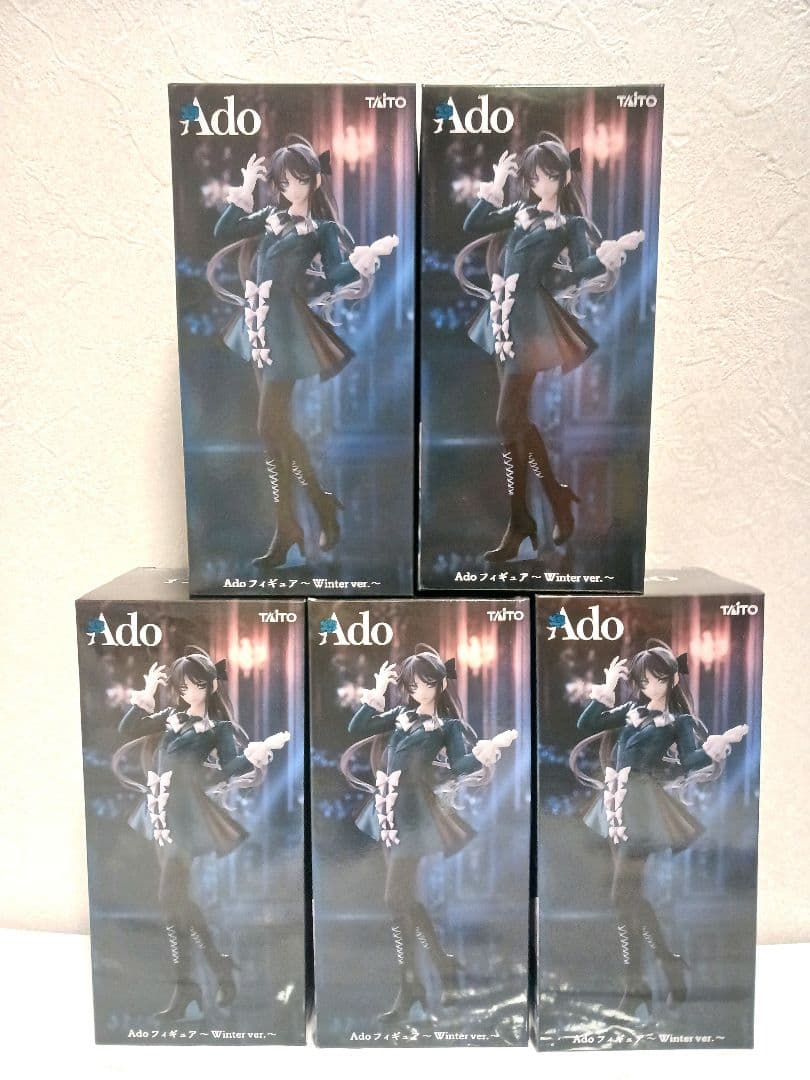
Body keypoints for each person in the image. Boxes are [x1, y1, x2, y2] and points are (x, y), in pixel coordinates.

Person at [207, 136, 397, 568]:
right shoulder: (269, 216)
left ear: (314, 181)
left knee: (268, 427)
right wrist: (245, 189)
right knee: (275, 431)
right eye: (284, 182)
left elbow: (336, 274)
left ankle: (295, 520)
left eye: (300, 180)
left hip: (288, 330)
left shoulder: (322, 230)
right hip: (258, 327)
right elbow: (224, 232)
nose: (292, 188)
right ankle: (308, 511)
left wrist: (364, 257)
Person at [455, 133, 643, 561]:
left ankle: (519, 521)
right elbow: (473, 227)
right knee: (516, 421)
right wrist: (496, 185)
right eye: (535, 177)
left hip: (532, 326)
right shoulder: (519, 211)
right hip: (501, 319)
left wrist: (608, 254)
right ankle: (554, 496)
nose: (541, 184)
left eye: (550, 176)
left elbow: (582, 267)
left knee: (506, 421)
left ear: (565, 177)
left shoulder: (570, 225)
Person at [341, 645, 518, 1021]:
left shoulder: (448, 727)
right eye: (412, 684)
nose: (417, 690)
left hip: (416, 816)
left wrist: (483, 753)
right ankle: (439, 966)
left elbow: (459, 765)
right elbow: (357, 728)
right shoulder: (400, 715)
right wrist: (377, 692)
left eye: (425, 683)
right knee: (405, 900)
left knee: (394, 899)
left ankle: (412, 986)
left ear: (440, 684)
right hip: (387, 811)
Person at [570, 640, 747, 1013]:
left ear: (672, 679)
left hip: (643, 808)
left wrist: (714, 747)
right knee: (628, 897)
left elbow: (689, 760)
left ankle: (641, 981)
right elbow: (586, 724)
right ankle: (659, 971)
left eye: (657, 679)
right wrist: (607, 688)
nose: (649, 686)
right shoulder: (631, 709)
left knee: (621, 896)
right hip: (615, 806)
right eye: (643, 680)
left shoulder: (679, 722)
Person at [113, 651, 290, 1020]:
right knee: (178, 901)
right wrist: (146, 695)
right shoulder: (171, 716)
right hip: (160, 813)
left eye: (195, 684)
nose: (188, 691)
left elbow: (229, 768)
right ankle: (217, 964)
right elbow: (127, 731)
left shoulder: (218, 728)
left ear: (210, 685)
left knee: (168, 900)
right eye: (182, 686)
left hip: (187, 817)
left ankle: (186, 988)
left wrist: (257, 752)